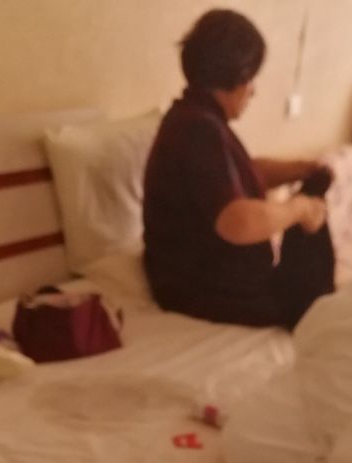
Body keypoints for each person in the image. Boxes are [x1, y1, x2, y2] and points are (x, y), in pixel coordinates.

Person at [143, 8, 336, 330]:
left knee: (313, 206)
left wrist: (296, 170)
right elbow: (237, 221)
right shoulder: (198, 129)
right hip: (199, 289)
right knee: (312, 292)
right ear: (236, 76)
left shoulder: (194, 118)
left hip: (204, 279)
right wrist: (298, 209)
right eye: (251, 79)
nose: (253, 90)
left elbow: (236, 174)